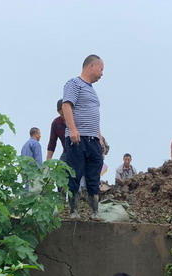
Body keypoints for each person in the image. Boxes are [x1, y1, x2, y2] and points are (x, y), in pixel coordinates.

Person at [63, 54, 105, 220]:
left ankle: (94, 212)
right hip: (78, 138)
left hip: (92, 139)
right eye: (101, 69)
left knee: (94, 175)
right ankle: (73, 211)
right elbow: (67, 105)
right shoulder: (74, 84)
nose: (102, 73)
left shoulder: (92, 91)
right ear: (92, 66)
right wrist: (72, 129)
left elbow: (93, 115)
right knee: (75, 174)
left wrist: (99, 137)